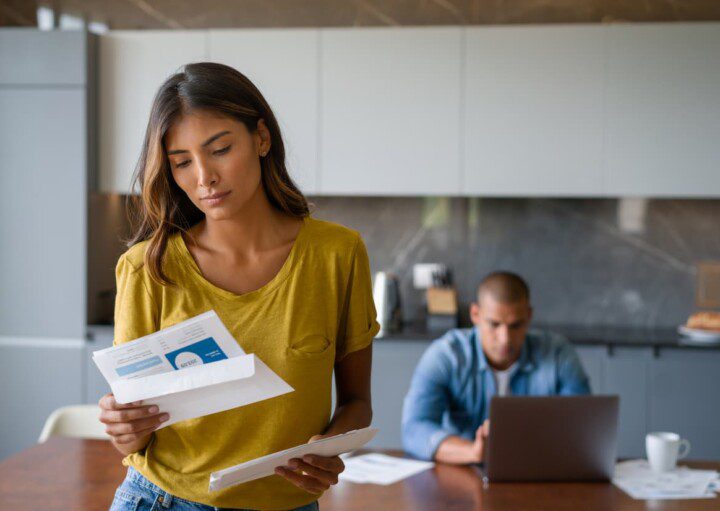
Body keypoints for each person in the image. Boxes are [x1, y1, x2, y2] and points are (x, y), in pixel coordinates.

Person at [98, 62, 379, 511]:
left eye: (220, 149)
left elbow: (358, 403)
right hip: (162, 500)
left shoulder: (337, 255)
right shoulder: (145, 269)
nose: (204, 177)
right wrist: (123, 426)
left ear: (262, 139)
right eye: (182, 162)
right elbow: (136, 436)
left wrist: (328, 448)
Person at [401, 271, 590, 464]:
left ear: (529, 316)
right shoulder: (446, 356)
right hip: (465, 472)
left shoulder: (558, 355)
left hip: (538, 469)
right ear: (475, 314)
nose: (505, 339)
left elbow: (582, 427)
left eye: (516, 325)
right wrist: (472, 452)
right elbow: (414, 428)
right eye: (494, 324)